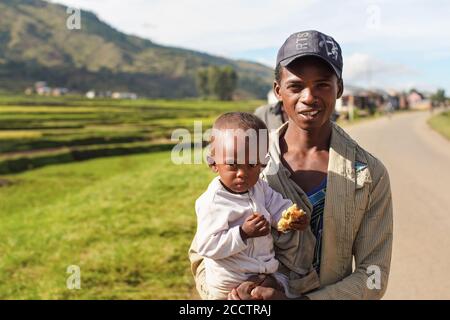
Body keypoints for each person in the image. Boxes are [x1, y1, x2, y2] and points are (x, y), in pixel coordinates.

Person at [189, 30, 393, 300]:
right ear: (278, 91)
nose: (309, 97)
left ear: (339, 89)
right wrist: (228, 297)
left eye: (322, 84)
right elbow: (201, 255)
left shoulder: (367, 174)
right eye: (296, 86)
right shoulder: (249, 161)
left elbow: (374, 274)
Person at [195, 112, 319, 299]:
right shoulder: (213, 202)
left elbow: (277, 205)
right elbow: (206, 246)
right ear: (213, 164)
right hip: (229, 281)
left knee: (289, 286)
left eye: (251, 165)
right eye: (232, 165)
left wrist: (291, 217)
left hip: (263, 271)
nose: (242, 173)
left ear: (262, 163)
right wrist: (242, 233)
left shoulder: (259, 188)